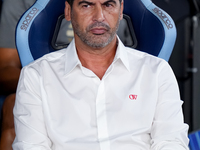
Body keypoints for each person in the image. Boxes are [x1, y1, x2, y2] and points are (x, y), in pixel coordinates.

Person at [12, 0, 189, 149]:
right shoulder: (36, 75)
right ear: (68, 11)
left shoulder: (157, 71)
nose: (99, 17)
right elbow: (32, 146)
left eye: (108, 5)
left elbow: (171, 142)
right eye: (86, 5)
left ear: (121, 10)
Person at [0, 0, 35, 149]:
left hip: (105, 82)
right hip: (37, 87)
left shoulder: (107, 6)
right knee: (15, 106)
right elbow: (5, 68)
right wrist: (45, 82)